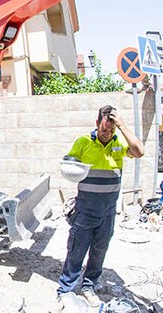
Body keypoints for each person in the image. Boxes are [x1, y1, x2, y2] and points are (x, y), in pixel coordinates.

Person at [57, 105, 145, 307]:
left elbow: (139, 151)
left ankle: (88, 286)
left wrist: (122, 126)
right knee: (76, 251)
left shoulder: (119, 143)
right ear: (97, 123)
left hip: (108, 213)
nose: (107, 134)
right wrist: (72, 168)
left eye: (111, 130)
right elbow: (68, 164)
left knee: (98, 252)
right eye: (104, 129)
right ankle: (66, 289)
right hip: (85, 211)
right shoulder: (83, 142)